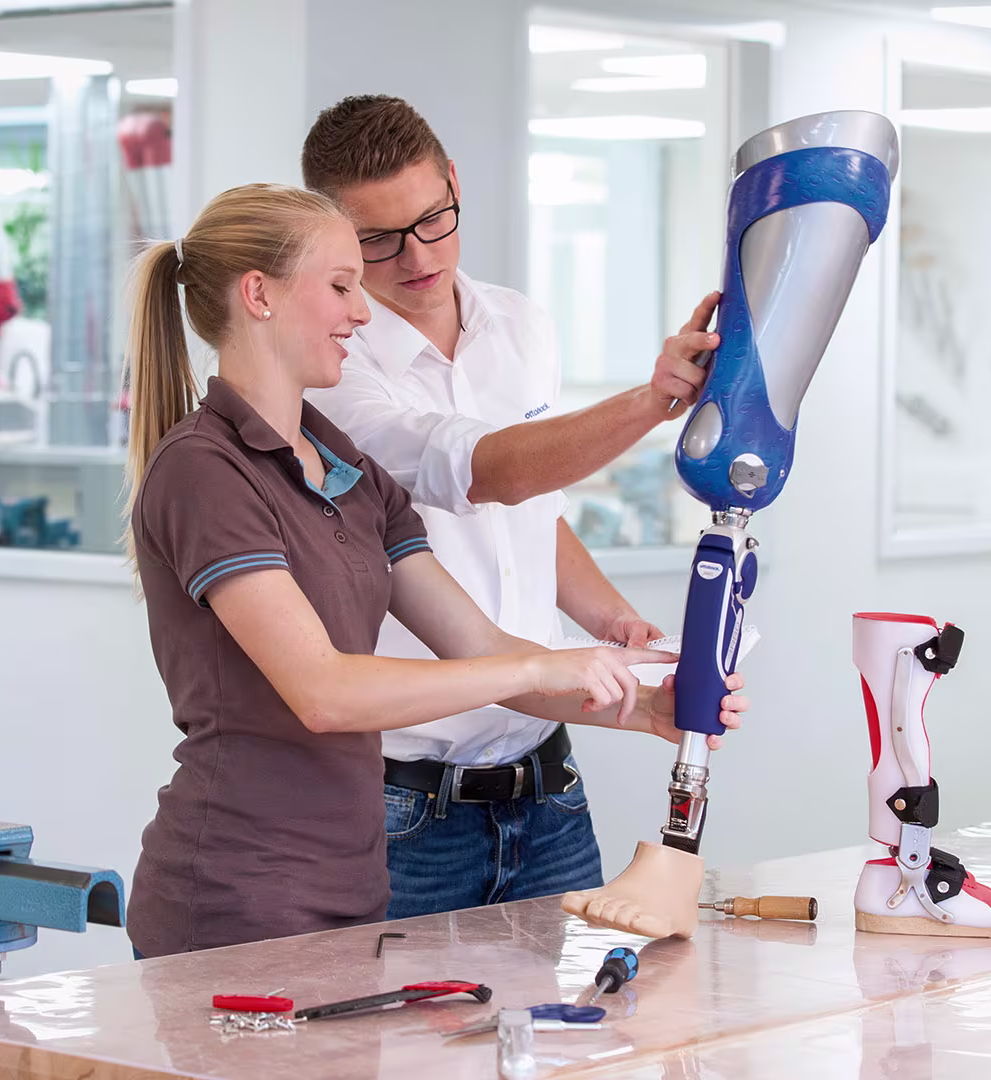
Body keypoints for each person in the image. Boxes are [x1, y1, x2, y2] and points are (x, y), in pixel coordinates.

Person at [119, 182, 749, 958]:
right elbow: (323, 692)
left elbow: (478, 649)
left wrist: (634, 705)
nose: (360, 312)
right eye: (342, 286)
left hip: (355, 887)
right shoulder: (203, 472)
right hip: (238, 896)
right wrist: (554, 659)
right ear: (259, 295)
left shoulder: (349, 468)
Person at [301, 96, 721, 918]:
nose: (416, 257)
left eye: (432, 221)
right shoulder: (334, 366)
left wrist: (613, 622)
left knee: (581, 1041)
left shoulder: (520, 325)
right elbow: (483, 472)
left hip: (548, 789)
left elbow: (533, 516)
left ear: (455, 184)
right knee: (403, 1048)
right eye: (377, 241)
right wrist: (652, 401)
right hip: (406, 810)